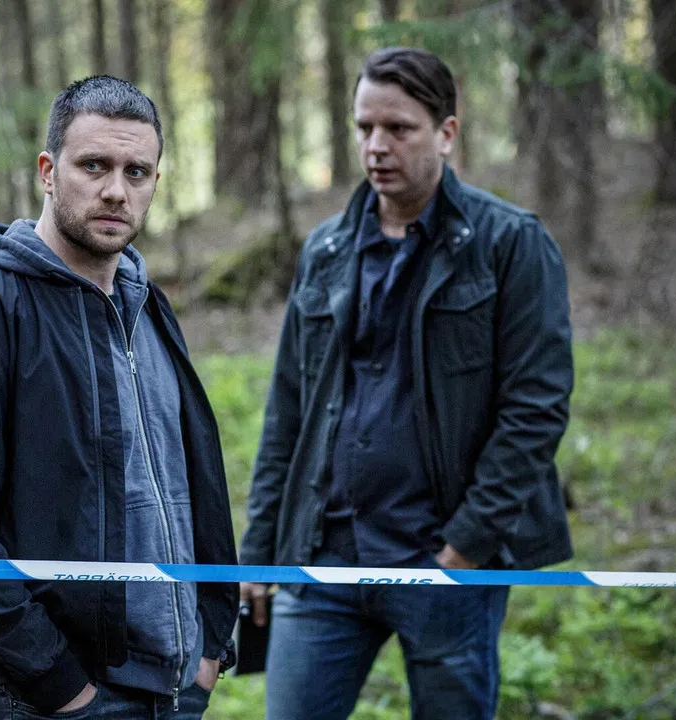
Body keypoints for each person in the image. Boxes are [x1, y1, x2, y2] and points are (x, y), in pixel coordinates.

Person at [239, 47, 575, 720]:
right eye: (365, 128)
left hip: (442, 563)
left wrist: (466, 544)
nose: (376, 146)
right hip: (323, 559)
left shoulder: (510, 244)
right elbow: (288, 411)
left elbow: (536, 408)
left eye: (398, 128)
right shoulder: (326, 250)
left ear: (446, 133)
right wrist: (261, 550)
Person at [0, 76, 239, 719]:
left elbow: (192, 486)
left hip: (173, 686)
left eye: (136, 172)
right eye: (94, 166)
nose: (116, 190)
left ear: (156, 182)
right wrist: (58, 684)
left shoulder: (147, 306)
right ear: (48, 172)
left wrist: (210, 646)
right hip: (50, 697)